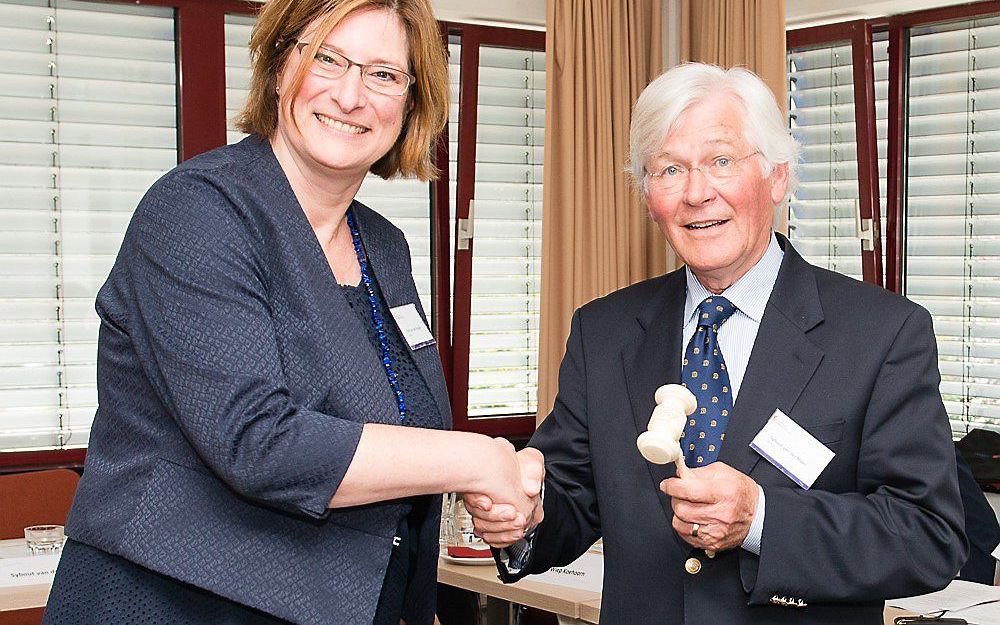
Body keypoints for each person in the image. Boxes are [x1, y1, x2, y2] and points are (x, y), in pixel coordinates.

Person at [42, 1, 538, 624]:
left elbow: (402, 438)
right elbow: (260, 442)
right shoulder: (198, 214)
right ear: (280, 68)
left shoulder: (383, 247)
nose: (352, 95)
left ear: (412, 103)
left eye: (385, 74)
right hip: (178, 603)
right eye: (328, 59)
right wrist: (476, 459)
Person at [465, 63, 968, 624]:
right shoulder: (602, 332)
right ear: (647, 192)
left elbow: (928, 535)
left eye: (721, 161)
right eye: (669, 169)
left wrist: (760, 520)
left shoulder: (881, 334)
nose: (696, 193)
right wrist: (521, 514)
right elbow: (568, 504)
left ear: (777, 177)